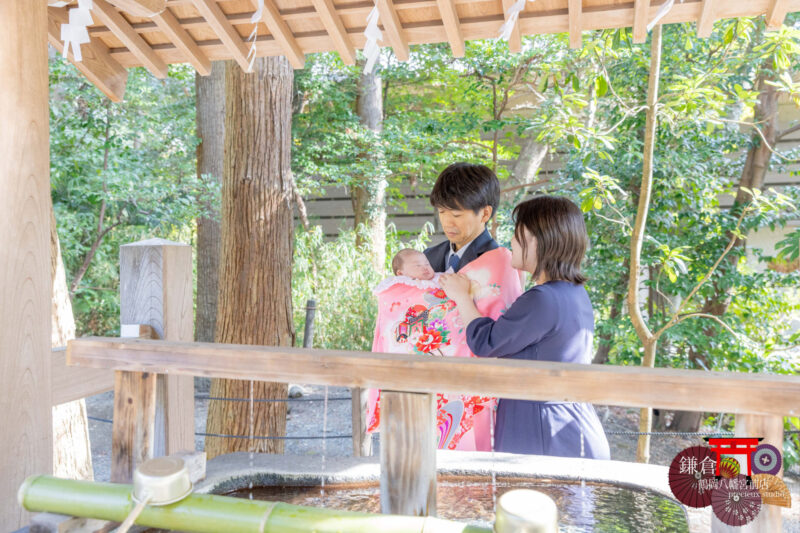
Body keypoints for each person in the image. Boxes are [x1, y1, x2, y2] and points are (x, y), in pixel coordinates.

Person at [439, 195, 610, 459]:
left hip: (544, 430)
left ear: (542, 241)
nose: (512, 243)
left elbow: (486, 342)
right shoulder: (573, 292)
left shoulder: (542, 299)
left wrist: (462, 296)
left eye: (519, 236)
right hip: (567, 425)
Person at [424, 163, 500, 273]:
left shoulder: (498, 260)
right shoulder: (428, 257)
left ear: (485, 214)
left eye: (456, 215)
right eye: (441, 211)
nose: (447, 223)